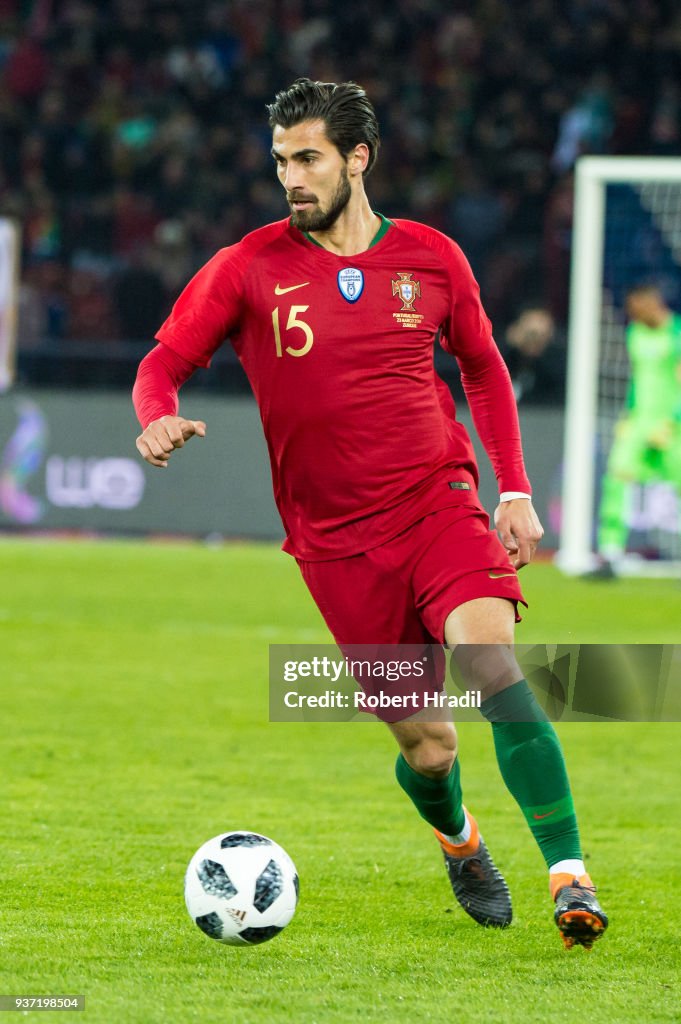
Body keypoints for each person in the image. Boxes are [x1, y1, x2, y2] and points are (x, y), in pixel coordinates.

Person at [132, 78, 607, 950]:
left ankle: (567, 876)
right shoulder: (248, 266)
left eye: (307, 157)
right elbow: (163, 360)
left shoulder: (431, 258)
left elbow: (483, 369)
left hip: (439, 503)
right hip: (335, 545)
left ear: (358, 158)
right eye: (281, 160)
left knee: (491, 662)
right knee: (428, 745)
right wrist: (155, 413)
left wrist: (511, 490)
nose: (291, 178)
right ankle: (459, 840)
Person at [595, 284, 681, 574]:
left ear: (653, 302)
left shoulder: (676, 333)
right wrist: (628, 414)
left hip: (672, 424)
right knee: (617, 478)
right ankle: (610, 552)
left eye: (638, 307)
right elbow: (637, 380)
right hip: (639, 421)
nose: (635, 313)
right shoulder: (636, 333)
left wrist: (672, 420)